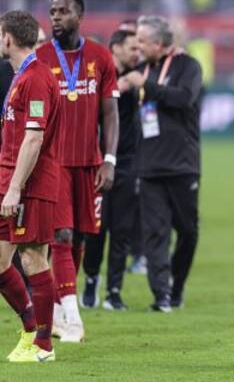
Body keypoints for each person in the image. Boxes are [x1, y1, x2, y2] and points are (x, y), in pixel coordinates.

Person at [36, 0, 120, 342]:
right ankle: (73, 319)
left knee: (80, 238)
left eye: (63, 11)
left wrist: (109, 160)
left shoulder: (100, 57)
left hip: (89, 164)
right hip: (52, 164)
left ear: (80, 16)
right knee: (61, 236)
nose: (55, 17)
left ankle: (56, 309)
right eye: (53, 11)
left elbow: (110, 113)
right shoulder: (40, 58)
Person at [120, 15, 202, 312]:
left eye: (142, 41)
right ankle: (162, 295)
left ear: (158, 43)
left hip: (182, 165)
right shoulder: (141, 69)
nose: (138, 46)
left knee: (188, 231)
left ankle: (176, 286)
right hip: (149, 166)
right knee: (155, 233)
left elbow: (183, 99)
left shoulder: (188, 66)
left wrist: (146, 85)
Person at [0, 10, 61, 362]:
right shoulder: (20, 77)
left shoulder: (37, 78)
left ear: (8, 38)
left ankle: (43, 346)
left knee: (33, 256)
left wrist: (15, 188)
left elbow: (34, 139)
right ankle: (28, 327)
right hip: (8, 178)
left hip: (30, 184)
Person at [81, 29, 140, 310]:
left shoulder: (138, 76)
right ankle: (91, 278)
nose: (137, 53)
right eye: (132, 48)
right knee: (97, 227)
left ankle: (114, 291)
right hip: (99, 162)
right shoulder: (100, 77)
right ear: (115, 48)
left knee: (123, 229)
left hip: (128, 162)